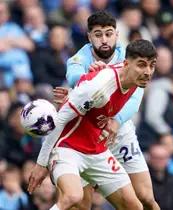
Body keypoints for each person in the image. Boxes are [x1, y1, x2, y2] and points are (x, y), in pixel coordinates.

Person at [27, 39, 157, 210]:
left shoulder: (135, 80)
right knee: (73, 197)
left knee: (135, 207)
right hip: (68, 148)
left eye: (152, 65)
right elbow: (59, 119)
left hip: (97, 150)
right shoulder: (101, 87)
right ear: (126, 64)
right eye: (141, 65)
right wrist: (41, 164)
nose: (148, 72)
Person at [61, 11, 159, 210]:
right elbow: (74, 78)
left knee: (146, 197)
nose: (104, 40)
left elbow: (136, 94)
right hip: (88, 134)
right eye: (98, 35)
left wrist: (118, 120)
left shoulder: (129, 57)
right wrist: (92, 77)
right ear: (89, 37)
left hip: (120, 132)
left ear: (116, 34)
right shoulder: (79, 58)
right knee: (81, 204)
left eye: (108, 33)